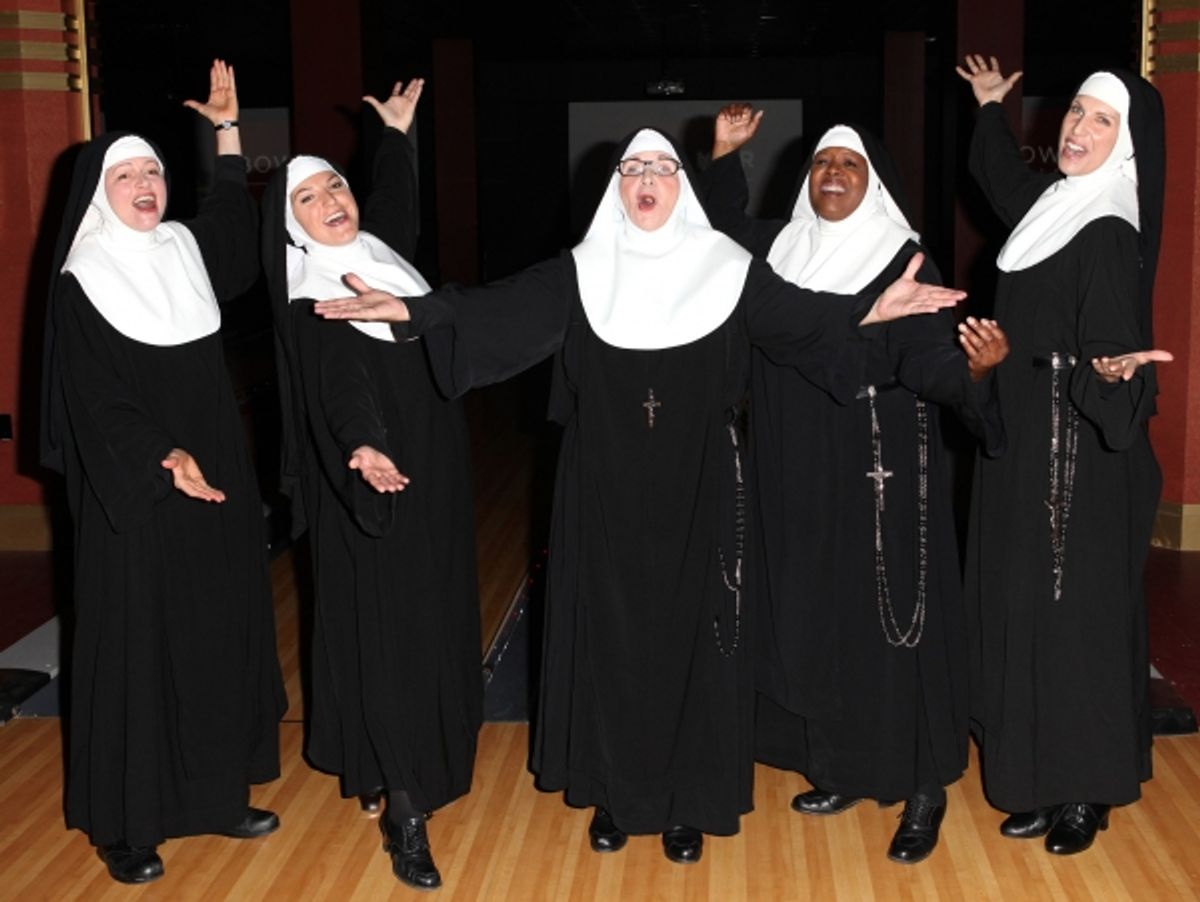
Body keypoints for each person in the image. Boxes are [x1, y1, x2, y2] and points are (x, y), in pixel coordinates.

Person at [311, 127, 965, 864]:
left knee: (697, 642)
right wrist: (414, 311)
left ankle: (689, 801)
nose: (646, 177)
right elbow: (492, 311)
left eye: (661, 166)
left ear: (681, 185)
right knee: (611, 639)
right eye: (633, 168)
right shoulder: (582, 271)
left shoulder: (727, 267)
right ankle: (615, 795)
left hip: (703, 487)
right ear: (617, 186)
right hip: (603, 488)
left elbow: (806, 321)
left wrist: (872, 309)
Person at [700, 110, 1008, 864]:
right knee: (818, 615)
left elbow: (925, 355)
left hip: (881, 471)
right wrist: (723, 159)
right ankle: (841, 766)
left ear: (874, 185)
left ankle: (923, 786)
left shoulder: (903, 258)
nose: (833, 174)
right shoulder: (779, 248)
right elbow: (716, 237)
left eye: (850, 164)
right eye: (822, 163)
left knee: (893, 624)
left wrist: (970, 372)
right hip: (795, 467)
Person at [39, 60, 285, 884]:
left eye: (152, 171)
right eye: (127, 174)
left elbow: (233, 231)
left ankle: (217, 795)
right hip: (137, 493)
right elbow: (94, 399)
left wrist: (226, 133)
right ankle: (128, 824)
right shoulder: (84, 281)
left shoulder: (182, 248)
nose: (145, 184)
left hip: (213, 484)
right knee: (138, 649)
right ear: (98, 192)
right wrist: (161, 454)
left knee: (213, 633)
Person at [262, 78, 481, 891]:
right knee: (388, 636)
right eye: (309, 198)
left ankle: (387, 757)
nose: (331, 202)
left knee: (428, 616)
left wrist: (394, 136)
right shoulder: (315, 298)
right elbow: (342, 385)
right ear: (292, 224)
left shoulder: (378, 256)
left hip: (434, 467)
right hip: (369, 476)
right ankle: (405, 808)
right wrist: (362, 446)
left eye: (336, 186)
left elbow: (395, 206)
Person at [956, 55, 1171, 855]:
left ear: (1127, 143)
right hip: (1025, 438)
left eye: (1101, 120)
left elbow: (1115, 347)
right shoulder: (1055, 202)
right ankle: (1037, 777)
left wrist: (1112, 374)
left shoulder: (1109, 228)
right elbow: (1001, 180)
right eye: (1077, 111)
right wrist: (989, 107)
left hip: (1079, 456)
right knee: (1024, 607)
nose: (1079, 128)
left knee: (1073, 618)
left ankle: (1085, 789)